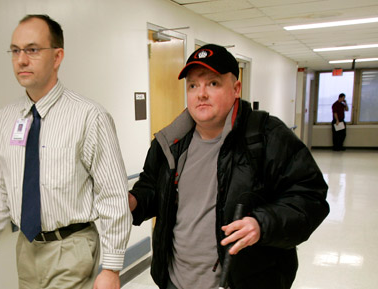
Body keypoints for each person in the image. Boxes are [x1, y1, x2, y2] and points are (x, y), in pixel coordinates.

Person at [128, 44, 329, 289]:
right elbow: (152, 188)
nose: (201, 93)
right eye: (193, 85)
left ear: (236, 89)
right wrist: (133, 201)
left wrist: (261, 224)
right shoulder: (170, 143)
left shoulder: (267, 137)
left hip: (243, 281)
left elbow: (310, 197)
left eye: (213, 83)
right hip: (175, 280)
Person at [0, 15, 131, 289]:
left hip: (73, 248)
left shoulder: (89, 116)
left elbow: (112, 193)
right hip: (27, 248)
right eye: (15, 51)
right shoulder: (6, 118)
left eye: (32, 50)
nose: (21, 60)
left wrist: (112, 267)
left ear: (57, 57)